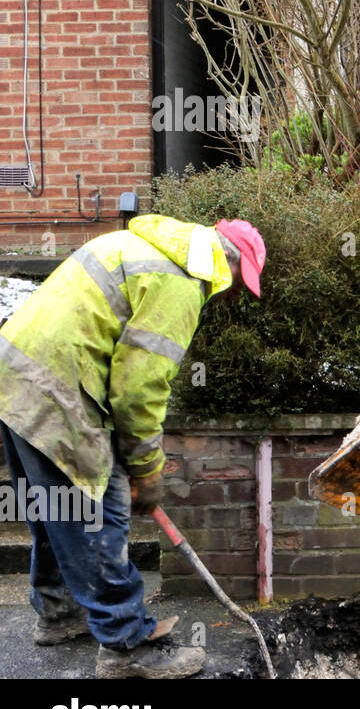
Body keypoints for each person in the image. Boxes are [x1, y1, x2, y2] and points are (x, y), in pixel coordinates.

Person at [0, 215, 265, 678]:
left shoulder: (139, 245)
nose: (231, 297)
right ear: (231, 262)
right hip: (56, 387)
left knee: (58, 508)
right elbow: (138, 389)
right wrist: (146, 469)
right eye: (240, 286)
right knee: (102, 512)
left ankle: (60, 615)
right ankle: (126, 646)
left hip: (16, 376)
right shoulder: (181, 281)